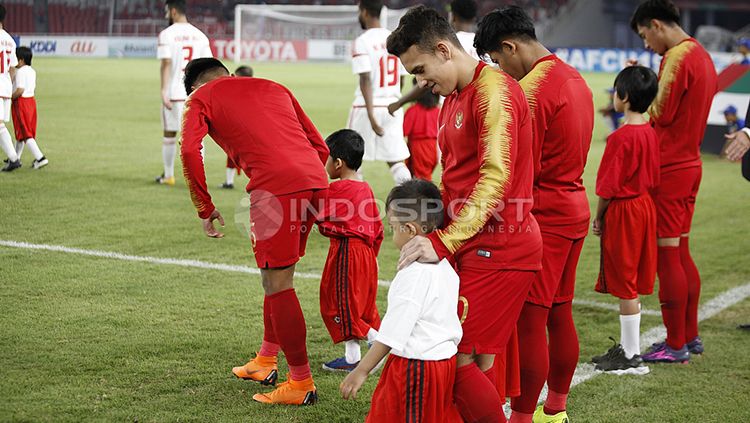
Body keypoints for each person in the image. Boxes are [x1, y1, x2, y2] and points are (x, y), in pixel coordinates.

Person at [387, 7, 542, 422]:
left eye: (420, 69)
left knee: (451, 356)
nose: (420, 83)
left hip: (500, 245)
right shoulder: (455, 95)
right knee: (475, 360)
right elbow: (456, 174)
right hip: (472, 242)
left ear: (443, 49)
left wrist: (441, 241)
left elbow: (496, 178)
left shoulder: (494, 93)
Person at [180, 58, 329, 405]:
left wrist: (204, 206)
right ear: (228, 75)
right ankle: (265, 359)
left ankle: (301, 383)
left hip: (276, 189)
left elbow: (189, 150)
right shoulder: (274, 85)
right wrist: (312, 184)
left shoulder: (199, 97)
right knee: (277, 278)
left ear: (193, 87)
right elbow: (319, 145)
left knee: (277, 284)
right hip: (314, 181)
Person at [474, 7, 594, 422]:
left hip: (544, 215)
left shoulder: (531, 90)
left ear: (509, 46)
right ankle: (555, 409)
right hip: (574, 206)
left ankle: (524, 416)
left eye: (496, 59)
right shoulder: (574, 77)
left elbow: (519, 166)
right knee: (560, 313)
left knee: (531, 322)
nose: (499, 69)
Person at [629, 0, 718, 364]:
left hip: (669, 169)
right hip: (689, 164)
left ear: (656, 24)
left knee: (667, 256)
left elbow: (661, 112)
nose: (647, 44)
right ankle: (690, 335)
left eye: (645, 36)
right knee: (680, 251)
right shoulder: (702, 55)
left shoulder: (678, 57)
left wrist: (635, 93)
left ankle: (676, 343)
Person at [340, 179, 463, 423]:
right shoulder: (446, 264)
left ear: (409, 229)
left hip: (416, 366)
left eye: (393, 226)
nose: (390, 233)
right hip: (443, 363)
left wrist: (361, 370)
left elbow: (392, 333)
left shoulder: (414, 273)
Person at [591, 66, 660, 375]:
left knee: (625, 282)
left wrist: (598, 216)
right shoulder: (650, 131)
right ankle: (629, 350)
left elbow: (607, 187)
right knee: (631, 279)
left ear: (625, 97)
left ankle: (631, 356)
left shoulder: (620, 138)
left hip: (624, 210)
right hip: (645, 206)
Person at [316, 129, 384, 372]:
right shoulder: (365, 188)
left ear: (337, 163)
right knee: (358, 305)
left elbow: (314, 213)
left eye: (325, 158)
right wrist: (372, 258)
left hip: (347, 252)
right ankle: (352, 357)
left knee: (338, 304)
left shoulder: (335, 191)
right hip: (366, 253)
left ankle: (380, 342)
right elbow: (378, 229)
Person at [349, 0, 410, 185]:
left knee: (352, 163)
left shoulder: (362, 41)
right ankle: (415, 200)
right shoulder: (394, 38)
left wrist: (371, 115)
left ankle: (357, 208)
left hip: (366, 107)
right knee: (396, 163)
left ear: (365, 12)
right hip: (392, 105)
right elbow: (401, 78)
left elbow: (365, 79)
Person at [155, 0, 212, 186]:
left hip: (175, 93)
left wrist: (164, 90)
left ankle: (169, 175)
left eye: (166, 12)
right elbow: (209, 67)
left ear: (172, 11)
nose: (166, 15)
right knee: (196, 138)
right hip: (196, 94)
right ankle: (198, 180)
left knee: (170, 132)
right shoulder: (200, 36)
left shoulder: (166, 34)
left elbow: (166, 64)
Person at [11, 46, 46, 170]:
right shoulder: (32, 71)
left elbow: (20, 90)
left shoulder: (20, 72)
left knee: (26, 134)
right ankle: (15, 158)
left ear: (20, 60)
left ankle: (40, 158)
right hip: (31, 102)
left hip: (21, 103)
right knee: (22, 133)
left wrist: (10, 97)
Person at [219, 65, 254, 189]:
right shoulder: (255, 90)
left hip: (238, 129)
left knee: (233, 154)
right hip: (253, 129)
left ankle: (229, 181)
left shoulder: (233, 90)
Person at [403, 81, 440, 180]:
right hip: (433, 147)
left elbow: (403, 131)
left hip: (417, 147)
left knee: (421, 179)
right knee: (423, 176)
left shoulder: (413, 110)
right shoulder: (438, 111)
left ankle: (426, 195)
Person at [0, 5, 20, 172]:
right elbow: (13, 67)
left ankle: (14, 158)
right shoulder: (10, 40)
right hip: (5, 87)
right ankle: (13, 158)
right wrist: (8, 83)